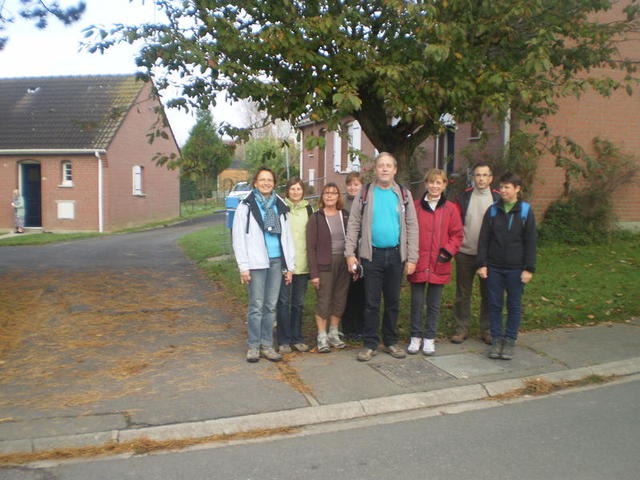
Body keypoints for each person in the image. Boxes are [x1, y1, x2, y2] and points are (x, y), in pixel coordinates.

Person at [345, 152, 419, 362]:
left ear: (395, 170)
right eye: (381, 166)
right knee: (371, 302)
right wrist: (350, 254)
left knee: (393, 301)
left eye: (389, 165)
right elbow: (354, 224)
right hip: (371, 256)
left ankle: (390, 341)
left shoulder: (404, 194)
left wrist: (412, 257)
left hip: (396, 256)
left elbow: (413, 226)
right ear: (375, 170)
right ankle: (370, 344)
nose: (385, 169)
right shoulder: (366, 193)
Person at [232, 167, 295, 363]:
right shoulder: (246, 206)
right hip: (256, 263)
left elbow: (287, 237)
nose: (266, 183)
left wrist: (290, 266)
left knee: (270, 306)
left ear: (274, 183)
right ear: (256, 183)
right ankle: (253, 345)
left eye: (270, 180)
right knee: (256, 305)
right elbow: (238, 238)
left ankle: (267, 345)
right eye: (262, 179)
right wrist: (243, 266)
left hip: (276, 262)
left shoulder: (280, 204)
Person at [476, 172, 537, 360]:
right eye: (501, 187)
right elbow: (484, 239)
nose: (503, 190)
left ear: (517, 189)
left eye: (507, 187)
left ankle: (509, 340)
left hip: (516, 269)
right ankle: (496, 340)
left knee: (514, 305)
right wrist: (482, 264)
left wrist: (529, 268)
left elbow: (531, 241)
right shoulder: (493, 210)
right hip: (494, 267)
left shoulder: (525, 211)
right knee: (494, 304)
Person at [407, 169, 463, 356]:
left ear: (444, 185)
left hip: (440, 261)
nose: (434, 186)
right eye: (431, 182)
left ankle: (429, 337)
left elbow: (457, 234)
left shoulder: (451, 209)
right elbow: (408, 231)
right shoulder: (415, 207)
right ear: (426, 184)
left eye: (439, 183)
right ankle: (415, 336)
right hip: (419, 261)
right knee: (416, 302)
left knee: (434, 303)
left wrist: (447, 251)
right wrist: (410, 256)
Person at [452, 162, 500, 345]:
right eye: (478, 175)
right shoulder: (463, 197)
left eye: (485, 175)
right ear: (473, 178)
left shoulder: (497, 199)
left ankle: (486, 329)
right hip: (465, 253)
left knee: (488, 293)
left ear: (490, 178)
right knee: (462, 293)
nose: (481, 178)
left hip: (488, 256)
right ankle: (461, 328)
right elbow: (455, 223)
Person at [307, 183, 350, 352]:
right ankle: (322, 336)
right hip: (324, 263)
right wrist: (314, 274)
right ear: (322, 197)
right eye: (326, 193)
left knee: (340, 298)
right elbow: (311, 248)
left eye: (333, 193)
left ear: (338, 196)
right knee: (324, 299)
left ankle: (333, 333)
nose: (330, 196)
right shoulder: (316, 218)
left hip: (344, 262)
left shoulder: (345, 215)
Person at [276, 177, 311, 354]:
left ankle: (297, 337)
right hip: (285, 265)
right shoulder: (281, 209)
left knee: (298, 303)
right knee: (283, 302)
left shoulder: (309, 209)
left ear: (303, 191)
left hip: (303, 265)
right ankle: (283, 339)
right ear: (287, 191)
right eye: (292, 189)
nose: (296, 192)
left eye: (298, 189)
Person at [341, 171, 365, 340]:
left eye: (356, 184)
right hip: (346, 253)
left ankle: (361, 326)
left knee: (362, 291)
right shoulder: (341, 203)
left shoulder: (367, 203)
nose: (352, 187)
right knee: (347, 291)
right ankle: (347, 327)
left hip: (364, 252)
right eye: (350, 184)